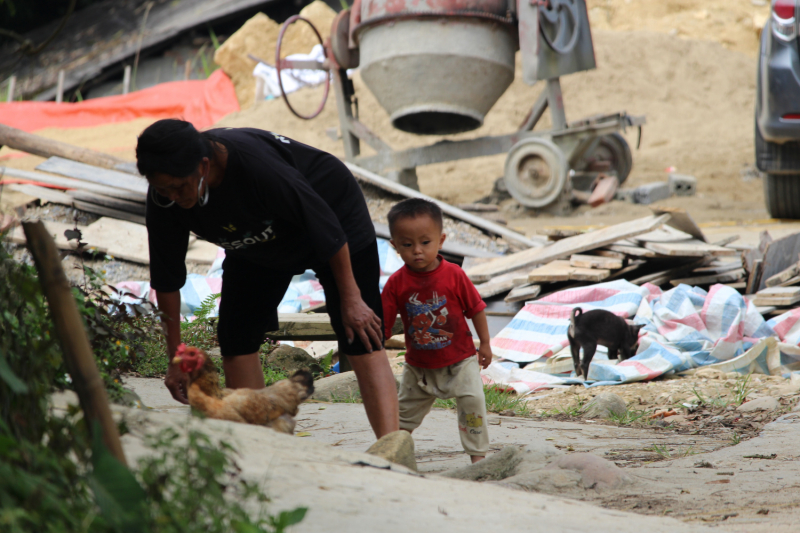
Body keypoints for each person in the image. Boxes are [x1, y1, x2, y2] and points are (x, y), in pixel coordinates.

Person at [136, 119, 398, 438]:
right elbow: (166, 279)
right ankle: (263, 441)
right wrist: (175, 357)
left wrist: (352, 299)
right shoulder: (164, 198)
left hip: (333, 218)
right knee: (236, 336)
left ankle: (392, 447)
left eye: (179, 187)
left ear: (203, 165)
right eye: (163, 189)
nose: (173, 197)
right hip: (257, 239)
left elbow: (326, 229)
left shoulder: (257, 168)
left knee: (360, 334)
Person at [381, 198, 492, 463]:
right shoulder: (396, 284)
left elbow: (476, 309)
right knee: (403, 415)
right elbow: (382, 325)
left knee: (473, 405)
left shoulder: (454, 275)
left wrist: (485, 343)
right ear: (394, 246)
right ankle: (392, 453)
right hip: (419, 368)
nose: (417, 251)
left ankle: (478, 459)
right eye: (407, 245)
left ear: (441, 241)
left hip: (461, 361)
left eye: (425, 242)